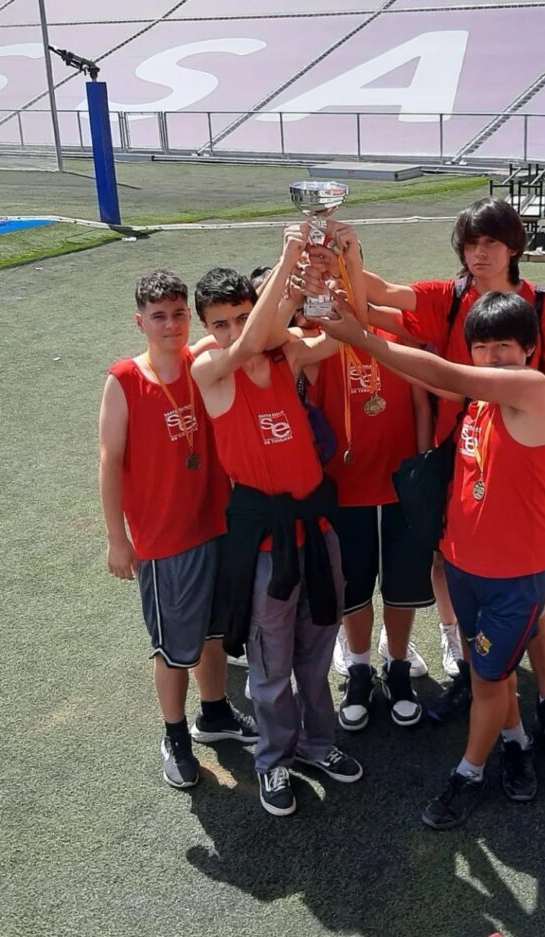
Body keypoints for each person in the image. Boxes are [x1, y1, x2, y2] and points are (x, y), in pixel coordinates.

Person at [307, 196, 545, 767]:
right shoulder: (450, 295)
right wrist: (343, 255)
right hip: (460, 452)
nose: (480, 254)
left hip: (517, 456)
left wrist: (530, 432)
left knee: (527, 585)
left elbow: (543, 383)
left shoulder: (541, 305)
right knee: (454, 562)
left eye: (492, 243)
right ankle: (471, 668)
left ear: (514, 246)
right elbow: (387, 300)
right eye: (470, 244)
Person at [320, 290, 545, 829]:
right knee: (492, 673)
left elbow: (444, 374)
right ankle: (516, 742)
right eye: (483, 347)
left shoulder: (533, 388)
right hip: (465, 568)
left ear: (529, 349)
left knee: (488, 681)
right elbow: (428, 375)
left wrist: (360, 337)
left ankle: (468, 774)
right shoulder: (481, 400)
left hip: (513, 575)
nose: (494, 358)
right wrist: (358, 311)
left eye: (505, 346)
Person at [191, 225, 363, 818]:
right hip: (268, 543)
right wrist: (288, 261)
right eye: (220, 323)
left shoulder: (286, 352)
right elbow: (245, 346)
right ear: (206, 329)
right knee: (269, 664)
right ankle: (273, 760)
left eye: (242, 316)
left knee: (317, 647)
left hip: (316, 529)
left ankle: (317, 744)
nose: (234, 331)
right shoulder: (209, 368)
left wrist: (332, 272)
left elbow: (343, 337)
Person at [98, 270, 258, 791]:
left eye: (179, 314)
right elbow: (109, 460)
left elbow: (252, 334)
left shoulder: (201, 361)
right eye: (159, 316)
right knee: (172, 646)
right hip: (165, 539)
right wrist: (117, 538)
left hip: (216, 524)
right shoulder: (126, 379)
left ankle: (214, 713)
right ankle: (174, 734)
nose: (171, 325)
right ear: (139, 321)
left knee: (213, 632)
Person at [302, 299, 435, 731]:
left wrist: (421, 472)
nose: (341, 293)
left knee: (401, 585)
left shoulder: (397, 334)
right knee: (353, 588)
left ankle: (397, 665)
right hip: (344, 491)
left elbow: (420, 404)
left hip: (399, 489)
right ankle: (359, 668)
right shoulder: (319, 341)